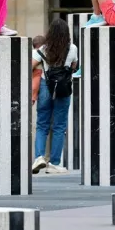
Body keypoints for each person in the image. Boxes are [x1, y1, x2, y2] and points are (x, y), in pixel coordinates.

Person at [30, 18, 78, 175]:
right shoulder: (72, 48)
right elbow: (74, 66)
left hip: (46, 86)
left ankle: (39, 157)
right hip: (63, 88)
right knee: (59, 126)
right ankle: (54, 163)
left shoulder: (43, 49)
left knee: (42, 124)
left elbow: (30, 65)